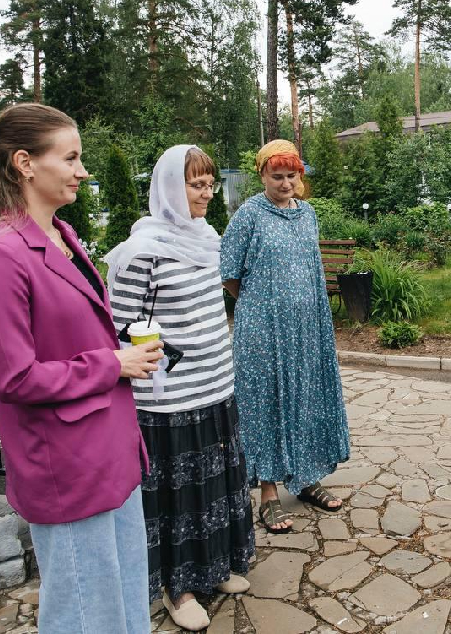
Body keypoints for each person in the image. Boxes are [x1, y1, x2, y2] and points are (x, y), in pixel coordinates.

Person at [0, 103, 164, 634]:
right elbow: (16, 378)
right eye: (71, 158)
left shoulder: (64, 238)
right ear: (25, 162)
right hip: (66, 465)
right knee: (83, 610)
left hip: (111, 451)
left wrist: (127, 355)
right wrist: (111, 364)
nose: (82, 170)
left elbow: (74, 332)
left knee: (123, 601)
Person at [105, 145, 255, 630]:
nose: (207, 193)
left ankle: (214, 569)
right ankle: (179, 587)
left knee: (216, 486)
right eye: (196, 184)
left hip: (215, 387)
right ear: (171, 186)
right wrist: (160, 355)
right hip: (170, 399)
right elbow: (120, 322)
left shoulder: (206, 238)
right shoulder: (142, 251)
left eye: (210, 183)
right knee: (179, 497)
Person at [220, 139, 350, 534]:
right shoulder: (248, 215)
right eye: (277, 176)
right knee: (267, 402)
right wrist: (262, 306)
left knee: (308, 396)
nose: (285, 183)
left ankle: (306, 478)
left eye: (291, 175)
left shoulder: (307, 214)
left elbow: (310, 268)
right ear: (261, 175)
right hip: (262, 331)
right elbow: (229, 272)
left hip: (308, 329)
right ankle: (269, 493)